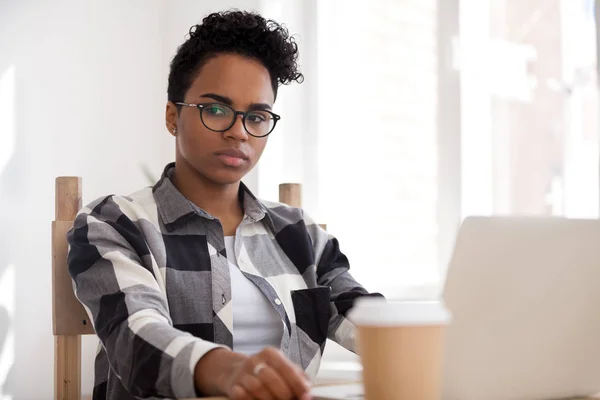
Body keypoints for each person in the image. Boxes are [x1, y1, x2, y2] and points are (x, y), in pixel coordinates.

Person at [67, 10, 381, 400]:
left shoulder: (299, 233)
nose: (239, 131)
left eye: (258, 116)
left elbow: (369, 322)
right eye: (215, 109)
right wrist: (228, 371)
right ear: (172, 116)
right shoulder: (114, 223)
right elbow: (136, 335)